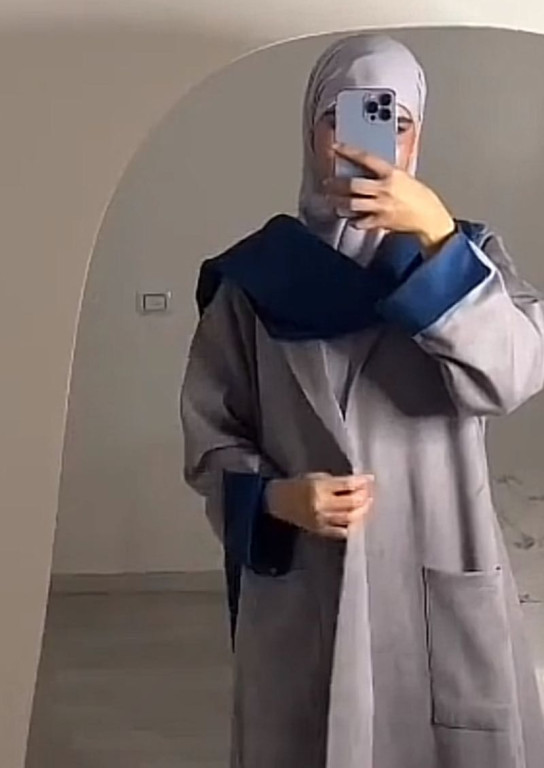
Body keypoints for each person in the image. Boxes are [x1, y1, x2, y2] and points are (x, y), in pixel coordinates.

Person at [180, 34, 544, 768]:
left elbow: (511, 376)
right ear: (310, 130)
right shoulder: (255, 278)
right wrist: (276, 499)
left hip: (438, 569)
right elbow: (211, 434)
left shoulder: (468, 257)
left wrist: (437, 238)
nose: (367, 143)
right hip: (308, 584)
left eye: (393, 121)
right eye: (341, 118)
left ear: (417, 139)